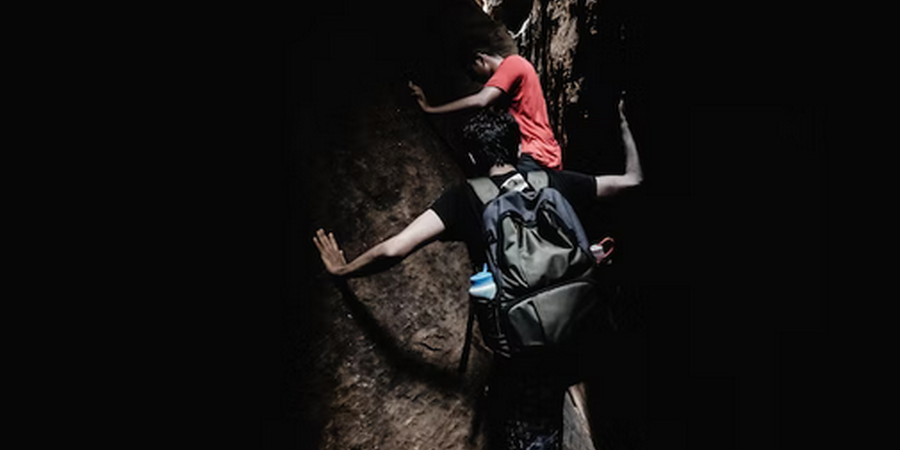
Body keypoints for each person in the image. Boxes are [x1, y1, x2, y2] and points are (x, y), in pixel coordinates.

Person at [314, 97, 641, 449]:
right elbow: (632, 181)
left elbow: (395, 248)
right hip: (579, 326)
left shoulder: (464, 199)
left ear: (471, 159)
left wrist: (343, 268)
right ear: (517, 146)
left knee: (533, 430)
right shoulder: (551, 181)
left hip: (524, 346)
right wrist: (625, 123)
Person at [409, 46, 563, 171]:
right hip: (544, 152)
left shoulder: (513, 63)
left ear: (480, 59)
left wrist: (431, 109)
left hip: (534, 153)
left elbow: (481, 100)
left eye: (473, 74)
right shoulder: (506, 90)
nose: (478, 81)